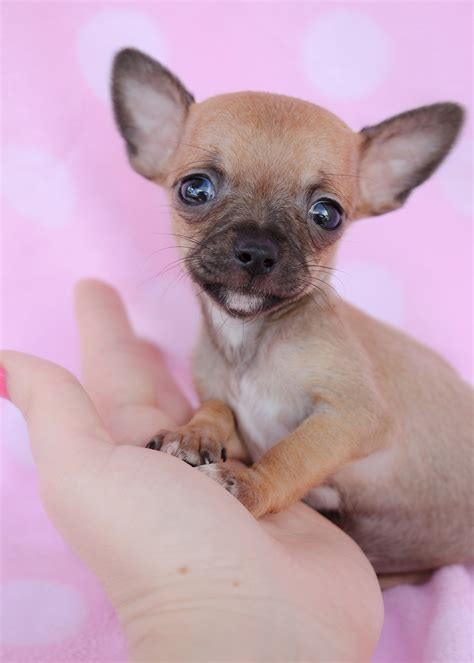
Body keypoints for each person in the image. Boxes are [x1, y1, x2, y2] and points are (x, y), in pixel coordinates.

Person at [1, 280, 383, 661]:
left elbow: (358, 420)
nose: (255, 248)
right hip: (353, 557)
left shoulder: (324, 336)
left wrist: (263, 484)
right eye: (198, 212)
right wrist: (207, 426)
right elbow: (245, 437)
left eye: (321, 216)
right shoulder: (211, 358)